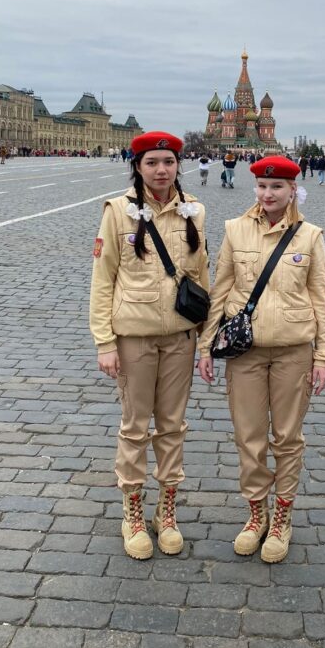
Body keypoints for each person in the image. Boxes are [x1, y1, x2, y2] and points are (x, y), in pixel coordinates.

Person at [198, 156, 325, 563]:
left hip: (294, 350)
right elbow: (219, 291)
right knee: (250, 437)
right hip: (246, 352)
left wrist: (322, 354)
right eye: (261, 186)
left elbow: (320, 297)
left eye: (276, 187)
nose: (268, 194)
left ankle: (283, 518)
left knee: (288, 438)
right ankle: (257, 513)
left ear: (293, 189)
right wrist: (206, 346)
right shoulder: (235, 230)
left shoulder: (309, 236)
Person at [89, 131, 209, 560]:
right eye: (152, 162)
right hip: (134, 337)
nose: (161, 170)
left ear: (178, 165)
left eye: (169, 162)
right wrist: (105, 342)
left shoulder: (194, 210)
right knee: (136, 426)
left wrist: (206, 339)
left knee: (173, 426)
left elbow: (201, 277)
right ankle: (133, 510)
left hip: (180, 336)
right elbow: (103, 281)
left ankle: (168, 509)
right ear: (137, 166)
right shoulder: (118, 212)